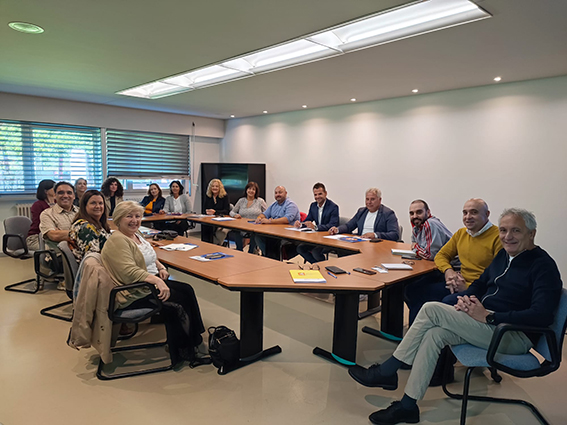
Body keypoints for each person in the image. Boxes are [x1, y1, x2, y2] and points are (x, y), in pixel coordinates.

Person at [347, 208, 562, 425]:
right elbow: (480, 284)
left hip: (512, 336)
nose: (508, 236)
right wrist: (465, 297)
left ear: (531, 233)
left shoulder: (543, 266)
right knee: (435, 334)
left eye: (516, 231)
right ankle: (407, 406)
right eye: (504, 230)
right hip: (487, 324)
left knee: (431, 309)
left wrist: (489, 317)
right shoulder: (503, 256)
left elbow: (541, 316)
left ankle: (387, 370)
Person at [101, 201, 210, 367]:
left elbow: (149, 253)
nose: (134, 220)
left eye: (137, 216)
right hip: (136, 290)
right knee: (178, 303)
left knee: (187, 290)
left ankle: (194, 340)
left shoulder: (136, 235)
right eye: (129, 216)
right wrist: (158, 280)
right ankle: (186, 349)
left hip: (148, 282)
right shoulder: (118, 240)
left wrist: (160, 267)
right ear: (118, 218)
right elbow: (129, 272)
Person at [435, 198, 502, 301]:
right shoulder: (461, 233)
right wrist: (449, 271)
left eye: (474, 212)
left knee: (447, 301)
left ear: (487, 214)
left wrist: (468, 287)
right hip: (458, 283)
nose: (468, 217)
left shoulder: (498, 237)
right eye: (465, 213)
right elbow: (441, 255)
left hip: (482, 290)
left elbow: (498, 275)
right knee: (414, 291)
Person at [404, 200, 453, 325]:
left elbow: (430, 254)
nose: (415, 216)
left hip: (450, 273)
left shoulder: (430, 224)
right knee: (407, 287)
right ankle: (419, 324)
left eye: (419, 212)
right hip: (437, 269)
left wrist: (415, 248)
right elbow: (417, 245)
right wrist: (416, 247)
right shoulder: (418, 226)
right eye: (412, 213)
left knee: (413, 290)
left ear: (428, 212)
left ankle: (416, 331)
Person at [329, 188, 399, 241]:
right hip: (360, 242)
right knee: (342, 250)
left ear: (379, 200)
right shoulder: (362, 211)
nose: (369, 202)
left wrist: (375, 235)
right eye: (367, 199)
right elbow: (349, 226)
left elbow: (394, 234)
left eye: (372, 199)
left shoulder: (388, 214)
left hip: (376, 245)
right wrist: (337, 229)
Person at [294, 182, 339, 263]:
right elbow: (308, 220)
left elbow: (332, 225)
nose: (317, 197)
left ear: (325, 193)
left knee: (316, 252)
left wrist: (315, 227)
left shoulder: (333, 207)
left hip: (328, 238)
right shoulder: (313, 206)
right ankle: (316, 265)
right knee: (300, 248)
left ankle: (322, 266)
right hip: (317, 238)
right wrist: (300, 224)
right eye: (315, 195)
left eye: (320, 194)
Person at [254, 186, 300, 256]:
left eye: (280, 192)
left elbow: (286, 219)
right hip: (275, 232)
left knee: (272, 239)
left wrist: (270, 221)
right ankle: (269, 256)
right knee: (258, 236)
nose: (278, 194)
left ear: (286, 193)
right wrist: (259, 217)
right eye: (276, 193)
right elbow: (264, 214)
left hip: (288, 234)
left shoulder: (291, 205)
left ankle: (271, 257)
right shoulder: (274, 205)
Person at [69, 190, 110, 263]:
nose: (98, 206)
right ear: (84, 206)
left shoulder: (97, 225)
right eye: (93, 203)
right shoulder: (84, 227)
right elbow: (93, 257)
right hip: (95, 269)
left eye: (100, 203)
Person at [39, 181, 79, 250]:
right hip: (60, 255)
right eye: (61, 193)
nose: (65, 196)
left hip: (82, 252)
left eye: (69, 193)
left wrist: (62, 233)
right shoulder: (47, 214)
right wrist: (82, 233)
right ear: (54, 195)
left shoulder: (81, 212)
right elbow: (54, 235)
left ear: (74, 196)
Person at [228, 181, 267, 252]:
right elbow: (232, 211)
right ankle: (239, 250)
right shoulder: (241, 201)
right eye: (249, 189)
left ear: (256, 191)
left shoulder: (260, 201)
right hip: (242, 226)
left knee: (255, 233)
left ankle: (251, 251)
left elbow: (267, 213)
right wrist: (235, 215)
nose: (251, 191)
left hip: (255, 226)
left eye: (253, 189)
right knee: (236, 230)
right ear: (246, 190)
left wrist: (261, 218)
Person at [26, 179, 55, 251]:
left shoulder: (57, 202)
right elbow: (40, 224)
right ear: (46, 191)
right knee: (51, 250)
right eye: (54, 188)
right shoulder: (37, 205)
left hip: (52, 236)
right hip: (36, 238)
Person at [202, 179, 230, 244]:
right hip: (209, 220)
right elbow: (203, 209)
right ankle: (206, 246)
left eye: (217, 186)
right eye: (213, 186)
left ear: (220, 187)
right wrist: (206, 212)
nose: (214, 188)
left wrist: (215, 212)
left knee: (215, 230)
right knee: (205, 226)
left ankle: (214, 245)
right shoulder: (208, 196)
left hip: (221, 221)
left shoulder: (224, 196)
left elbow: (226, 211)